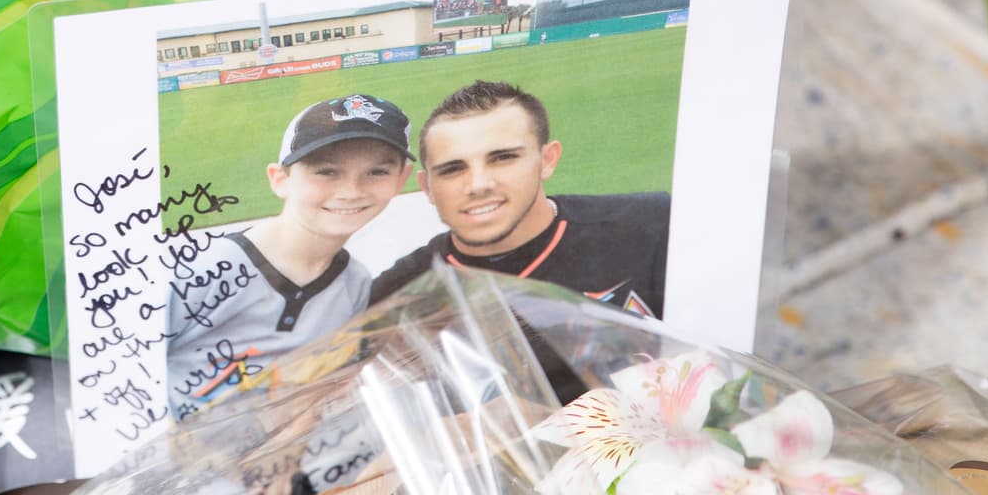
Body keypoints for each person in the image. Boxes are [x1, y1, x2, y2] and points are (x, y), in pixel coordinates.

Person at [370, 80, 670, 399]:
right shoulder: (396, 296)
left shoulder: (653, 227)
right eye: (453, 169)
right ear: (427, 186)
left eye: (503, 158)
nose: (479, 184)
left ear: (547, 160)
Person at [166, 93, 414, 424]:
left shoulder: (354, 284)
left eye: (376, 172)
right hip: (167, 465)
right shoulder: (204, 268)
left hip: (268, 463)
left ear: (401, 179)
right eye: (326, 172)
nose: (352, 190)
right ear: (280, 180)